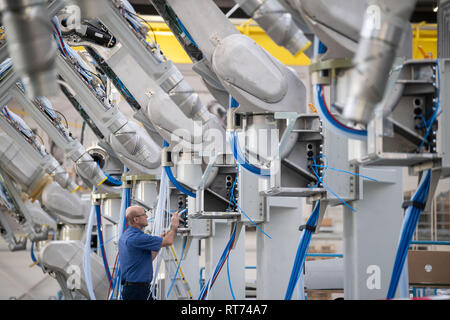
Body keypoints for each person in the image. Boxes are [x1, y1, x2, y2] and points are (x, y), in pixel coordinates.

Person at [118, 205, 180, 300]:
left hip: (135, 289)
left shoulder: (127, 236)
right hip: (137, 291)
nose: (147, 216)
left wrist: (157, 243)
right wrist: (174, 226)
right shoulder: (136, 238)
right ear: (136, 219)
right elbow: (169, 241)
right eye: (144, 214)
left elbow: (146, 259)